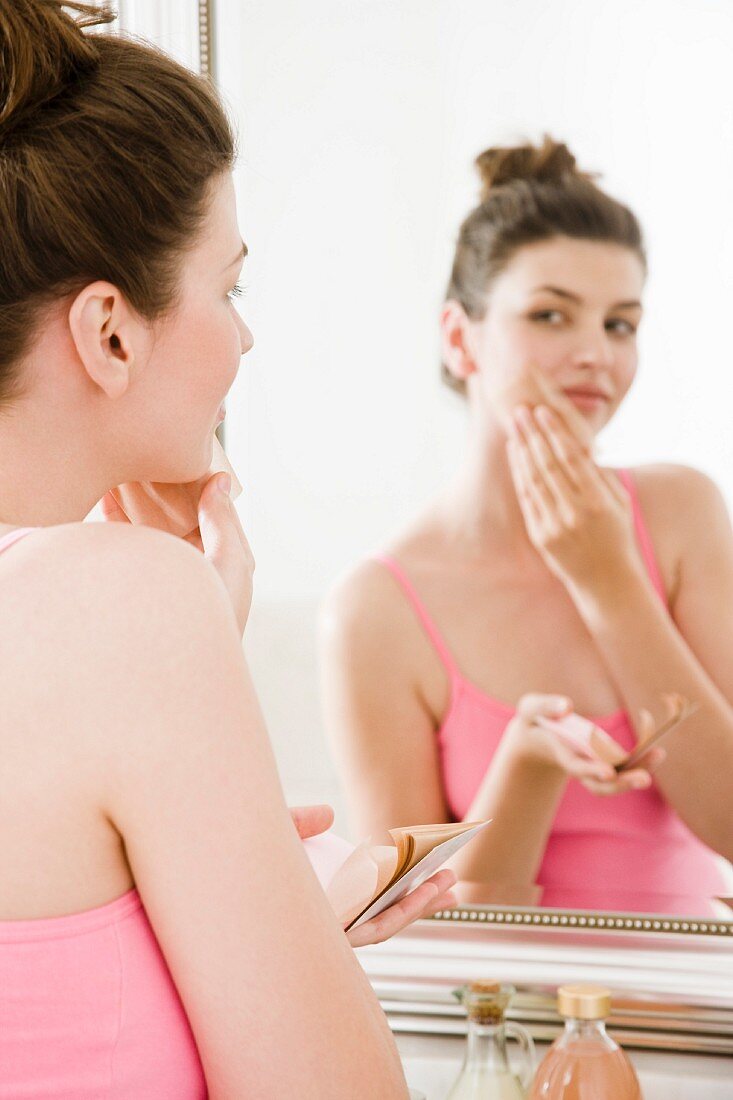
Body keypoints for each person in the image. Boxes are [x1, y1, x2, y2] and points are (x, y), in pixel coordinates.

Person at [0, 3, 454, 1096]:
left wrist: (274, 929)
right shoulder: (128, 606)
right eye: (229, 286)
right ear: (110, 332)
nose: (242, 337)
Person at [321, 137, 733, 913]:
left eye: (620, 324)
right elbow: (411, 926)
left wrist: (606, 579)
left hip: (696, 1018)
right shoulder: (376, 609)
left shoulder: (682, 516)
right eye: (549, 315)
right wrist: (526, 770)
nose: (593, 355)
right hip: (495, 1031)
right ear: (458, 336)